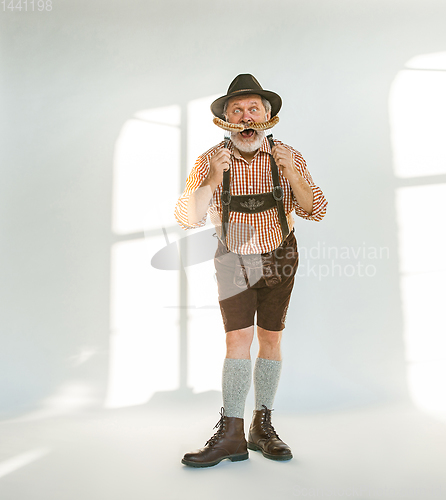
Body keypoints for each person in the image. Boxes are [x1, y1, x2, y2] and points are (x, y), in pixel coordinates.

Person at [174, 74, 327, 468]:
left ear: (268, 115)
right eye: (237, 110)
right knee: (237, 343)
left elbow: (317, 210)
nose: (246, 117)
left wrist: (291, 172)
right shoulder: (210, 159)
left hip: (280, 258)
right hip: (234, 261)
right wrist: (211, 180)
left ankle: (263, 425)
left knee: (271, 341)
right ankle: (231, 434)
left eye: (253, 109)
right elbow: (186, 218)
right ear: (225, 119)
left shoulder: (288, 155)